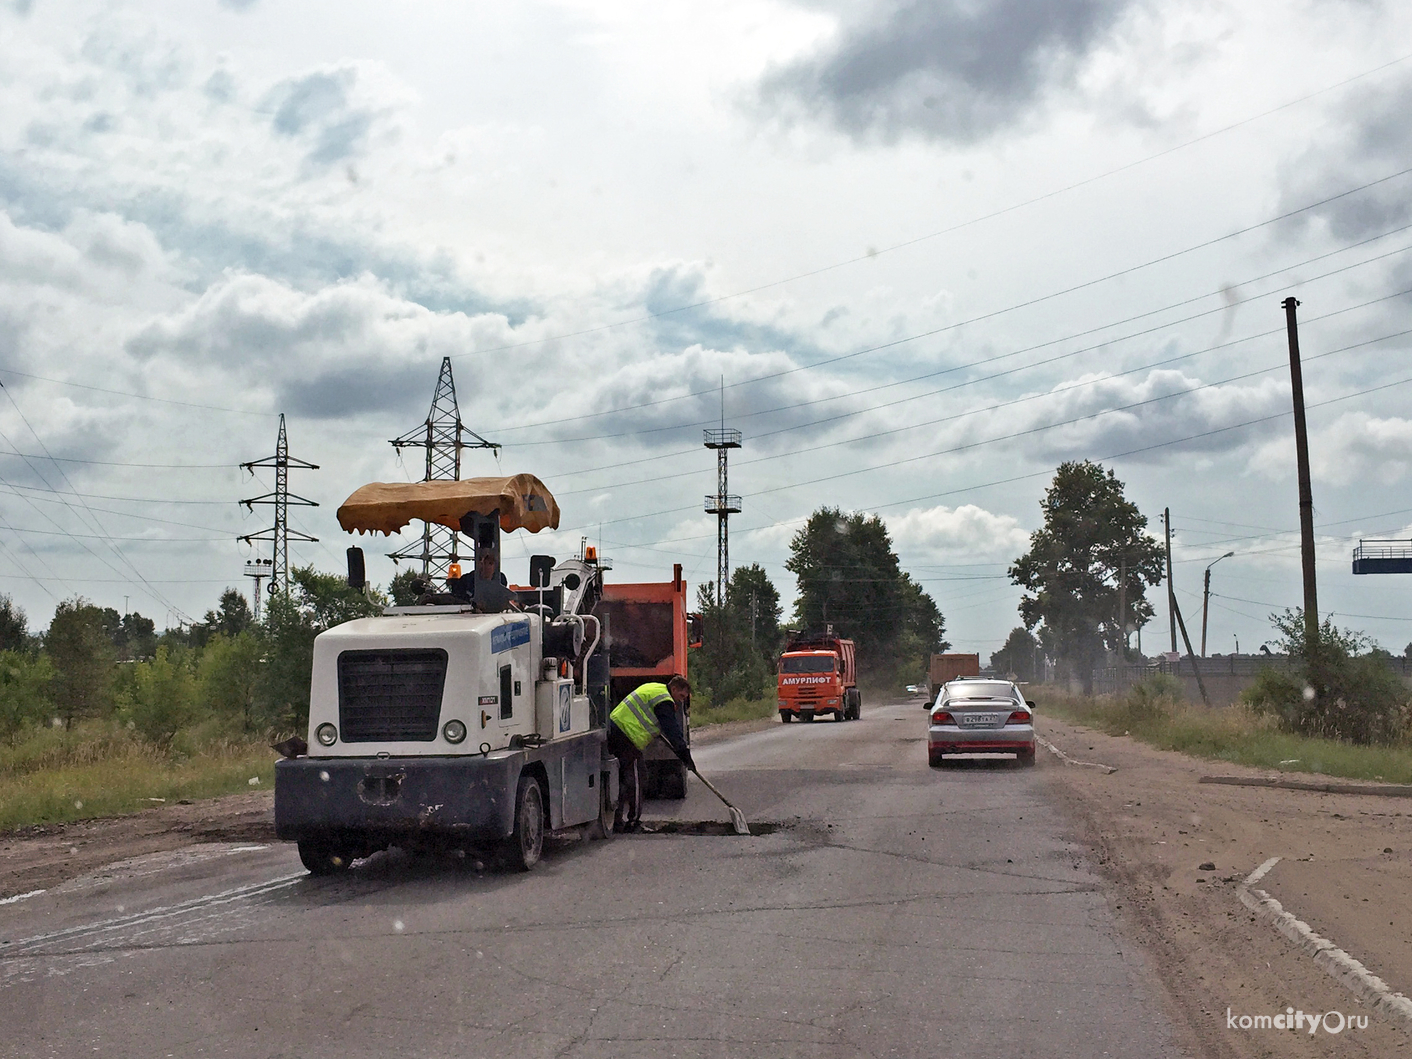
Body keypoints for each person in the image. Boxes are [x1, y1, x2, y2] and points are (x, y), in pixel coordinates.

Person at [606, 675, 694, 832]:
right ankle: (633, 823)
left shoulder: (655, 689)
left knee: (621, 779)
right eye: (681, 696)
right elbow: (673, 731)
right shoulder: (664, 701)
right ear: (674, 689)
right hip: (627, 735)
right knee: (637, 779)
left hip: (616, 729)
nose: (681, 701)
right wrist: (685, 755)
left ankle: (617, 822)